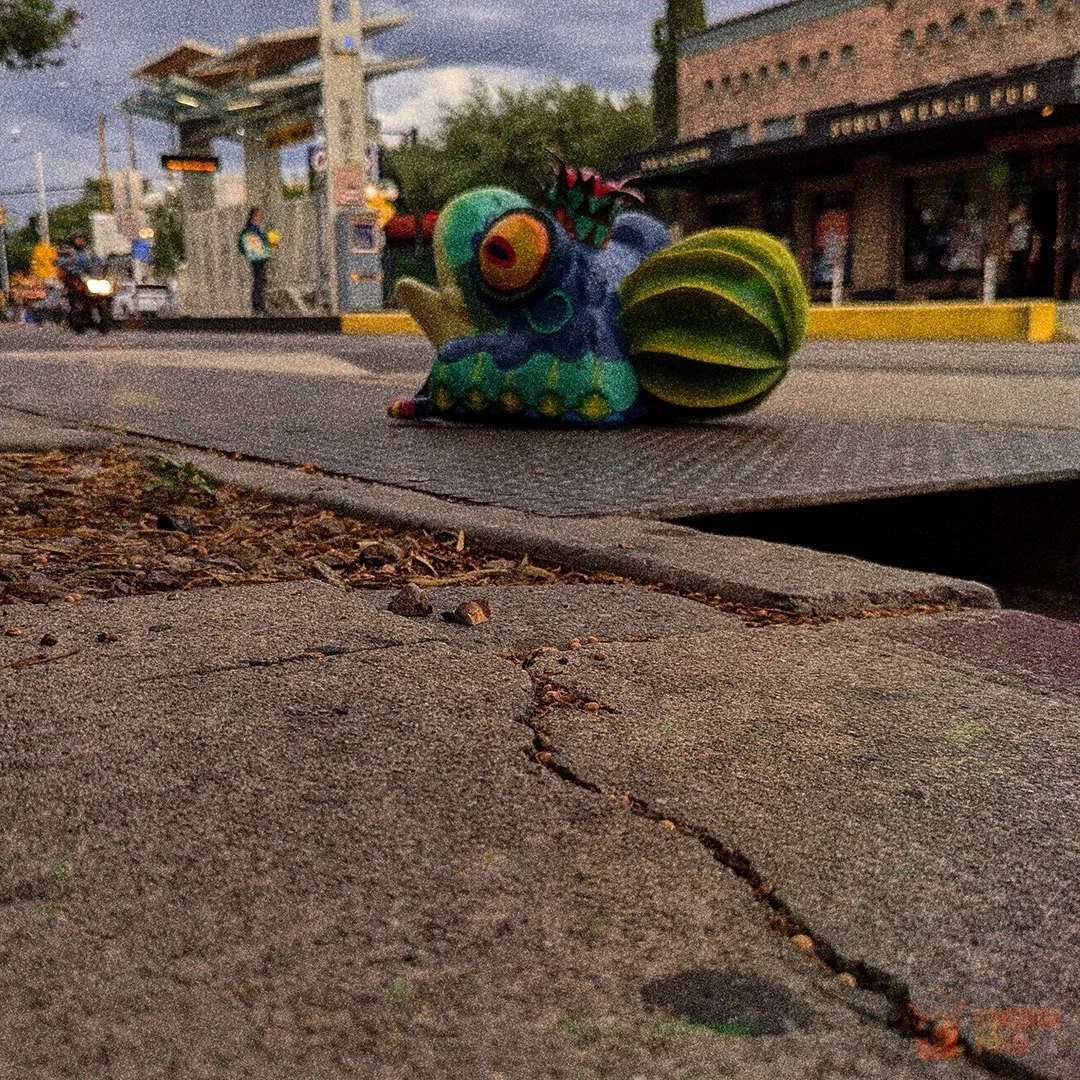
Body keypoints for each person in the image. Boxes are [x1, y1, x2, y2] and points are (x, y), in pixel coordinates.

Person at [238, 207, 273, 315]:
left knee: (261, 281)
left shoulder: (255, 228)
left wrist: (270, 243)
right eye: (259, 215)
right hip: (258, 259)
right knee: (259, 281)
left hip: (260, 258)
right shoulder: (251, 229)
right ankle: (258, 307)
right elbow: (252, 244)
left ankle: (259, 306)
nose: (262, 217)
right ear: (254, 216)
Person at [1004, 201, 1041, 298]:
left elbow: (1036, 238)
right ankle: (1013, 296)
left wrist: (1034, 252)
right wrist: (1007, 251)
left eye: (1024, 210)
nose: (1022, 212)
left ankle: (1025, 295)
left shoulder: (1031, 224)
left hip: (1025, 252)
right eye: (1020, 210)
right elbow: (1008, 237)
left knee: (1026, 275)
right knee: (1013, 274)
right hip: (1014, 252)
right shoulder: (1013, 224)